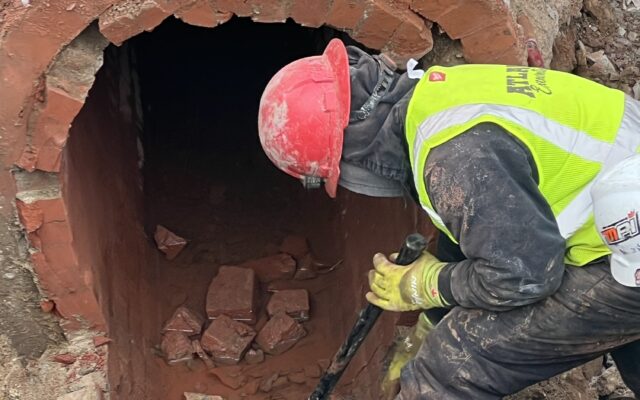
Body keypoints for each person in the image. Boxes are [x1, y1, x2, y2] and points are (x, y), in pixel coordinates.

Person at [257, 39, 640, 399]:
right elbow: (475, 224)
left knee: (449, 364)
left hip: (626, 256)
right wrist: (431, 320)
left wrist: (431, 284)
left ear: (348, 159)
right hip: (626, 219)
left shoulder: (452, 160)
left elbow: (525, 276)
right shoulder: (441, 97)